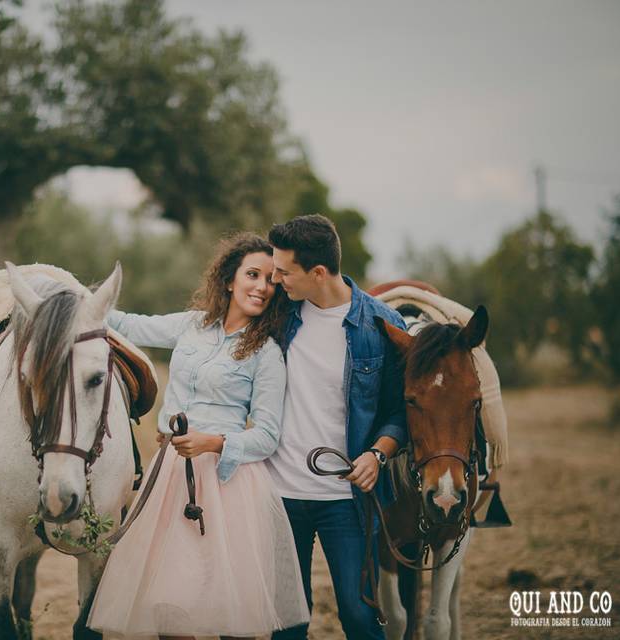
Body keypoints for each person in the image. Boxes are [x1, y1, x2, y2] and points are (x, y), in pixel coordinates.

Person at [88, 232, 311, 639]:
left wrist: (214, 443)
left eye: (270, 281)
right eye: (253, 274)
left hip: (229, 486)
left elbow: (267, 435)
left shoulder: (266, 353)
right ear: (229, 279)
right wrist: (73, 294)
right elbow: (126, 324)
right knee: (170, 603)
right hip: (172, 476)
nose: (262, 287)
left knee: (228, 608)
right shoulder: (192, 326)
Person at [266, 215, 408, 640]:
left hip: (346, 500)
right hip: (280, 494)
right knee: (288, 621)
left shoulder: (381, 325)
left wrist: (377, 453)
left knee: (359, 614)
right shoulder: (278, 316)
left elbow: (401, 412)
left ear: (318, 273)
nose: (275, 279)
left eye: (284, 271)